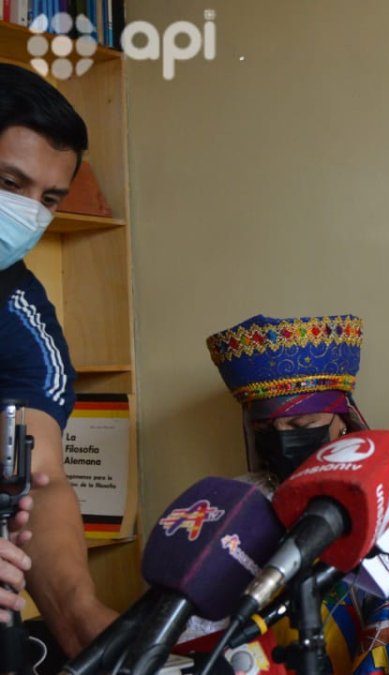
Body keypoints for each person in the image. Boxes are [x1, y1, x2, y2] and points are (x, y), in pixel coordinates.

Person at [206, 313, 389, 675]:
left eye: (302, 425)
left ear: (341, 420)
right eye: (265, 428)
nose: (283, 438)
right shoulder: (239, 502)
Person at [0, 63, 116, 654]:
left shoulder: (22, 317)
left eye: (47, 198)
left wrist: (79, 615)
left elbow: (36, 482)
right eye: (8, 183)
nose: (27, 214)